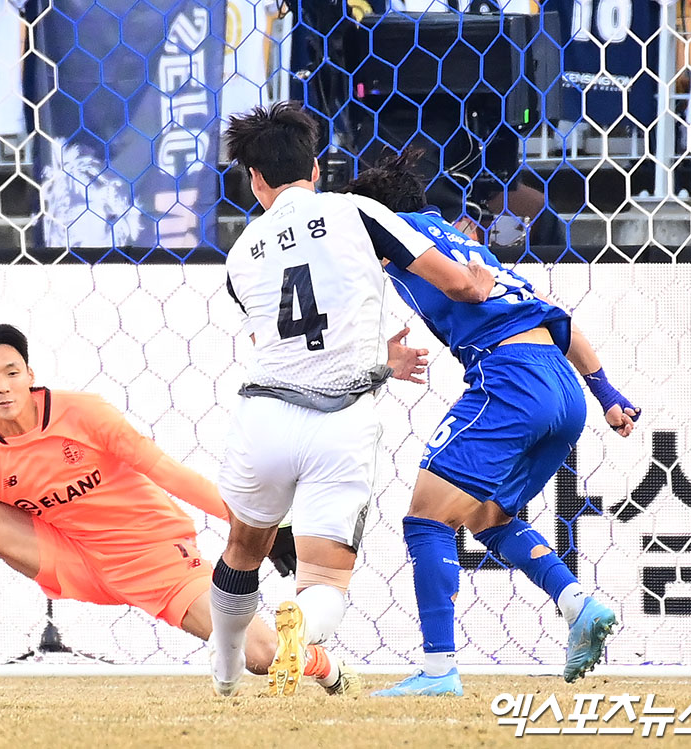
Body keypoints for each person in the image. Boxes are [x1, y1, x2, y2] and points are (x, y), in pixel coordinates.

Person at [0, 324, 379, 696]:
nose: (3, 386)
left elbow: (164, 470)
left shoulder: (85, 414)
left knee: (259, 657)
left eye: (12, 372)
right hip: (73, 560)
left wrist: (261, 528)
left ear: (30, 374)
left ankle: (323, 666)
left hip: (157, 560)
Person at [208, 101, 497, 698]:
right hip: (341, 423)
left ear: (255, 180)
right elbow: (457, 285)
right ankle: (301, 623)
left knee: (242, 549)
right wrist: (480, 280)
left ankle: (226, 672)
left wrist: (377, 359)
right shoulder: (355, 211)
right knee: (323, 579)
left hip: (264, 417)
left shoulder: (240, 255)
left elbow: (283, 346)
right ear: (315, 169)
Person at [342, 152, 641, 696]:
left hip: (508, 380)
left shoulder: (398, 238)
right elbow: (556, 315)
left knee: (426, 520)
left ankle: (438, 672)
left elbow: (453, 291)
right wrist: (607, 394)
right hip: (562, 388)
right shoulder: (468, 246)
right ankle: (578, 604)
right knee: (487, 517)